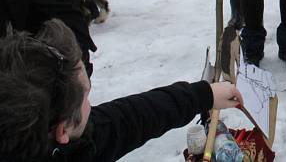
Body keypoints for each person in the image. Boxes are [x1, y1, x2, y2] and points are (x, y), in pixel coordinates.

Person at [0, 18, 243, 162]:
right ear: (62, 130)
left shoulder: (61, 138)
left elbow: (127, 119)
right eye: (86, 95)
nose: (90, 102)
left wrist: (202, 95)